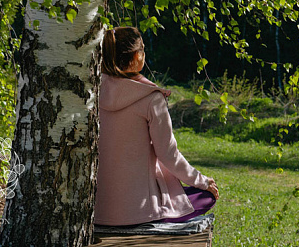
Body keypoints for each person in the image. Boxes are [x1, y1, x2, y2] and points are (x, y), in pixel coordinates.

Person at [94, 26, 219, 226]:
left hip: (96, 209)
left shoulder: (91, 93)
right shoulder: (151, 99)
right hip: (141, 212)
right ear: (136, 56)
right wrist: (202, 181)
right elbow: (168, 154)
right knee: (206, 196)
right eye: (143, 50)